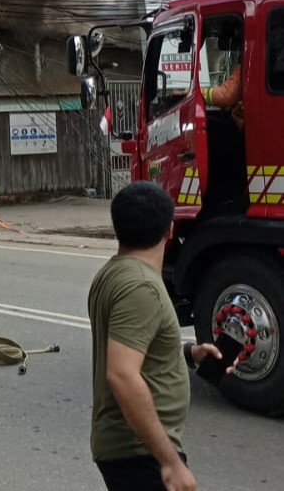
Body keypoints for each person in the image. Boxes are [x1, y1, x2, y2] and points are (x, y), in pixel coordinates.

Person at [88, 181, 225, 491]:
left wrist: (191, 353)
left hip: (131, 450)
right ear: (169, 231)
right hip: (139, 452)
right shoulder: (141, 286)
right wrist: (170, 463)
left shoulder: (115, 273)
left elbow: (136, 346)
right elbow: (122, 374)